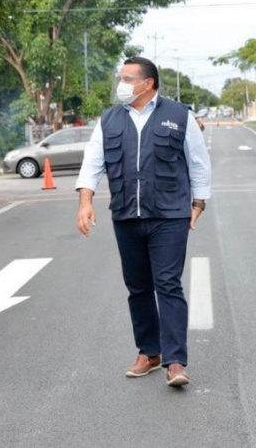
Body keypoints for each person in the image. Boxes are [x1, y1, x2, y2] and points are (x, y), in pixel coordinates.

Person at [75, 57, 211, 387]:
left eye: (127, 77)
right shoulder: (109, 119)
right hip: (126, 213)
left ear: (147, 83)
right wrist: (85, 202)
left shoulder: (179, 116)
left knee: (167, 283)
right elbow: (93, 162)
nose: (121, 83)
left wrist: (198, 203)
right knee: (138, 287)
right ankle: (149, 352)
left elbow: (198, 162)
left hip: (169, 214)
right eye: (120, 76)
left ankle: (176, 361)